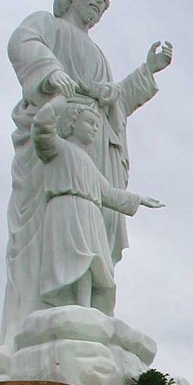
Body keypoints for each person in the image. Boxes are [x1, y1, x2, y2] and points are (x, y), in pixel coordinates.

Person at [0, 0, 174, 347]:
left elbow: (115, 104)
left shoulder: (97, 54)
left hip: (95, 147)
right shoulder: (47, 25)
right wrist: (51, 73)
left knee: (95, 229)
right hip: (60, 133)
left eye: (105, 1)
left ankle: (88, 316)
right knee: (53, 226)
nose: (99, 3)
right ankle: (38, 321)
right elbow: (22, 42)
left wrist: (147, 72)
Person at [31, 95, 165, 310]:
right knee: (74, 259)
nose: (95, 129)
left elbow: (108, 193)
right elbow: (41, 129)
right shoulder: (58, 148)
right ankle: (67, 306)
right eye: (89, 123)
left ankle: (84, 307)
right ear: (72, 123)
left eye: (96, 124)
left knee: (93, 262)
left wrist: (139, 200)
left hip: (90, 214)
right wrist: (58, 103)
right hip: (67, 210)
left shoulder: (89, 163)